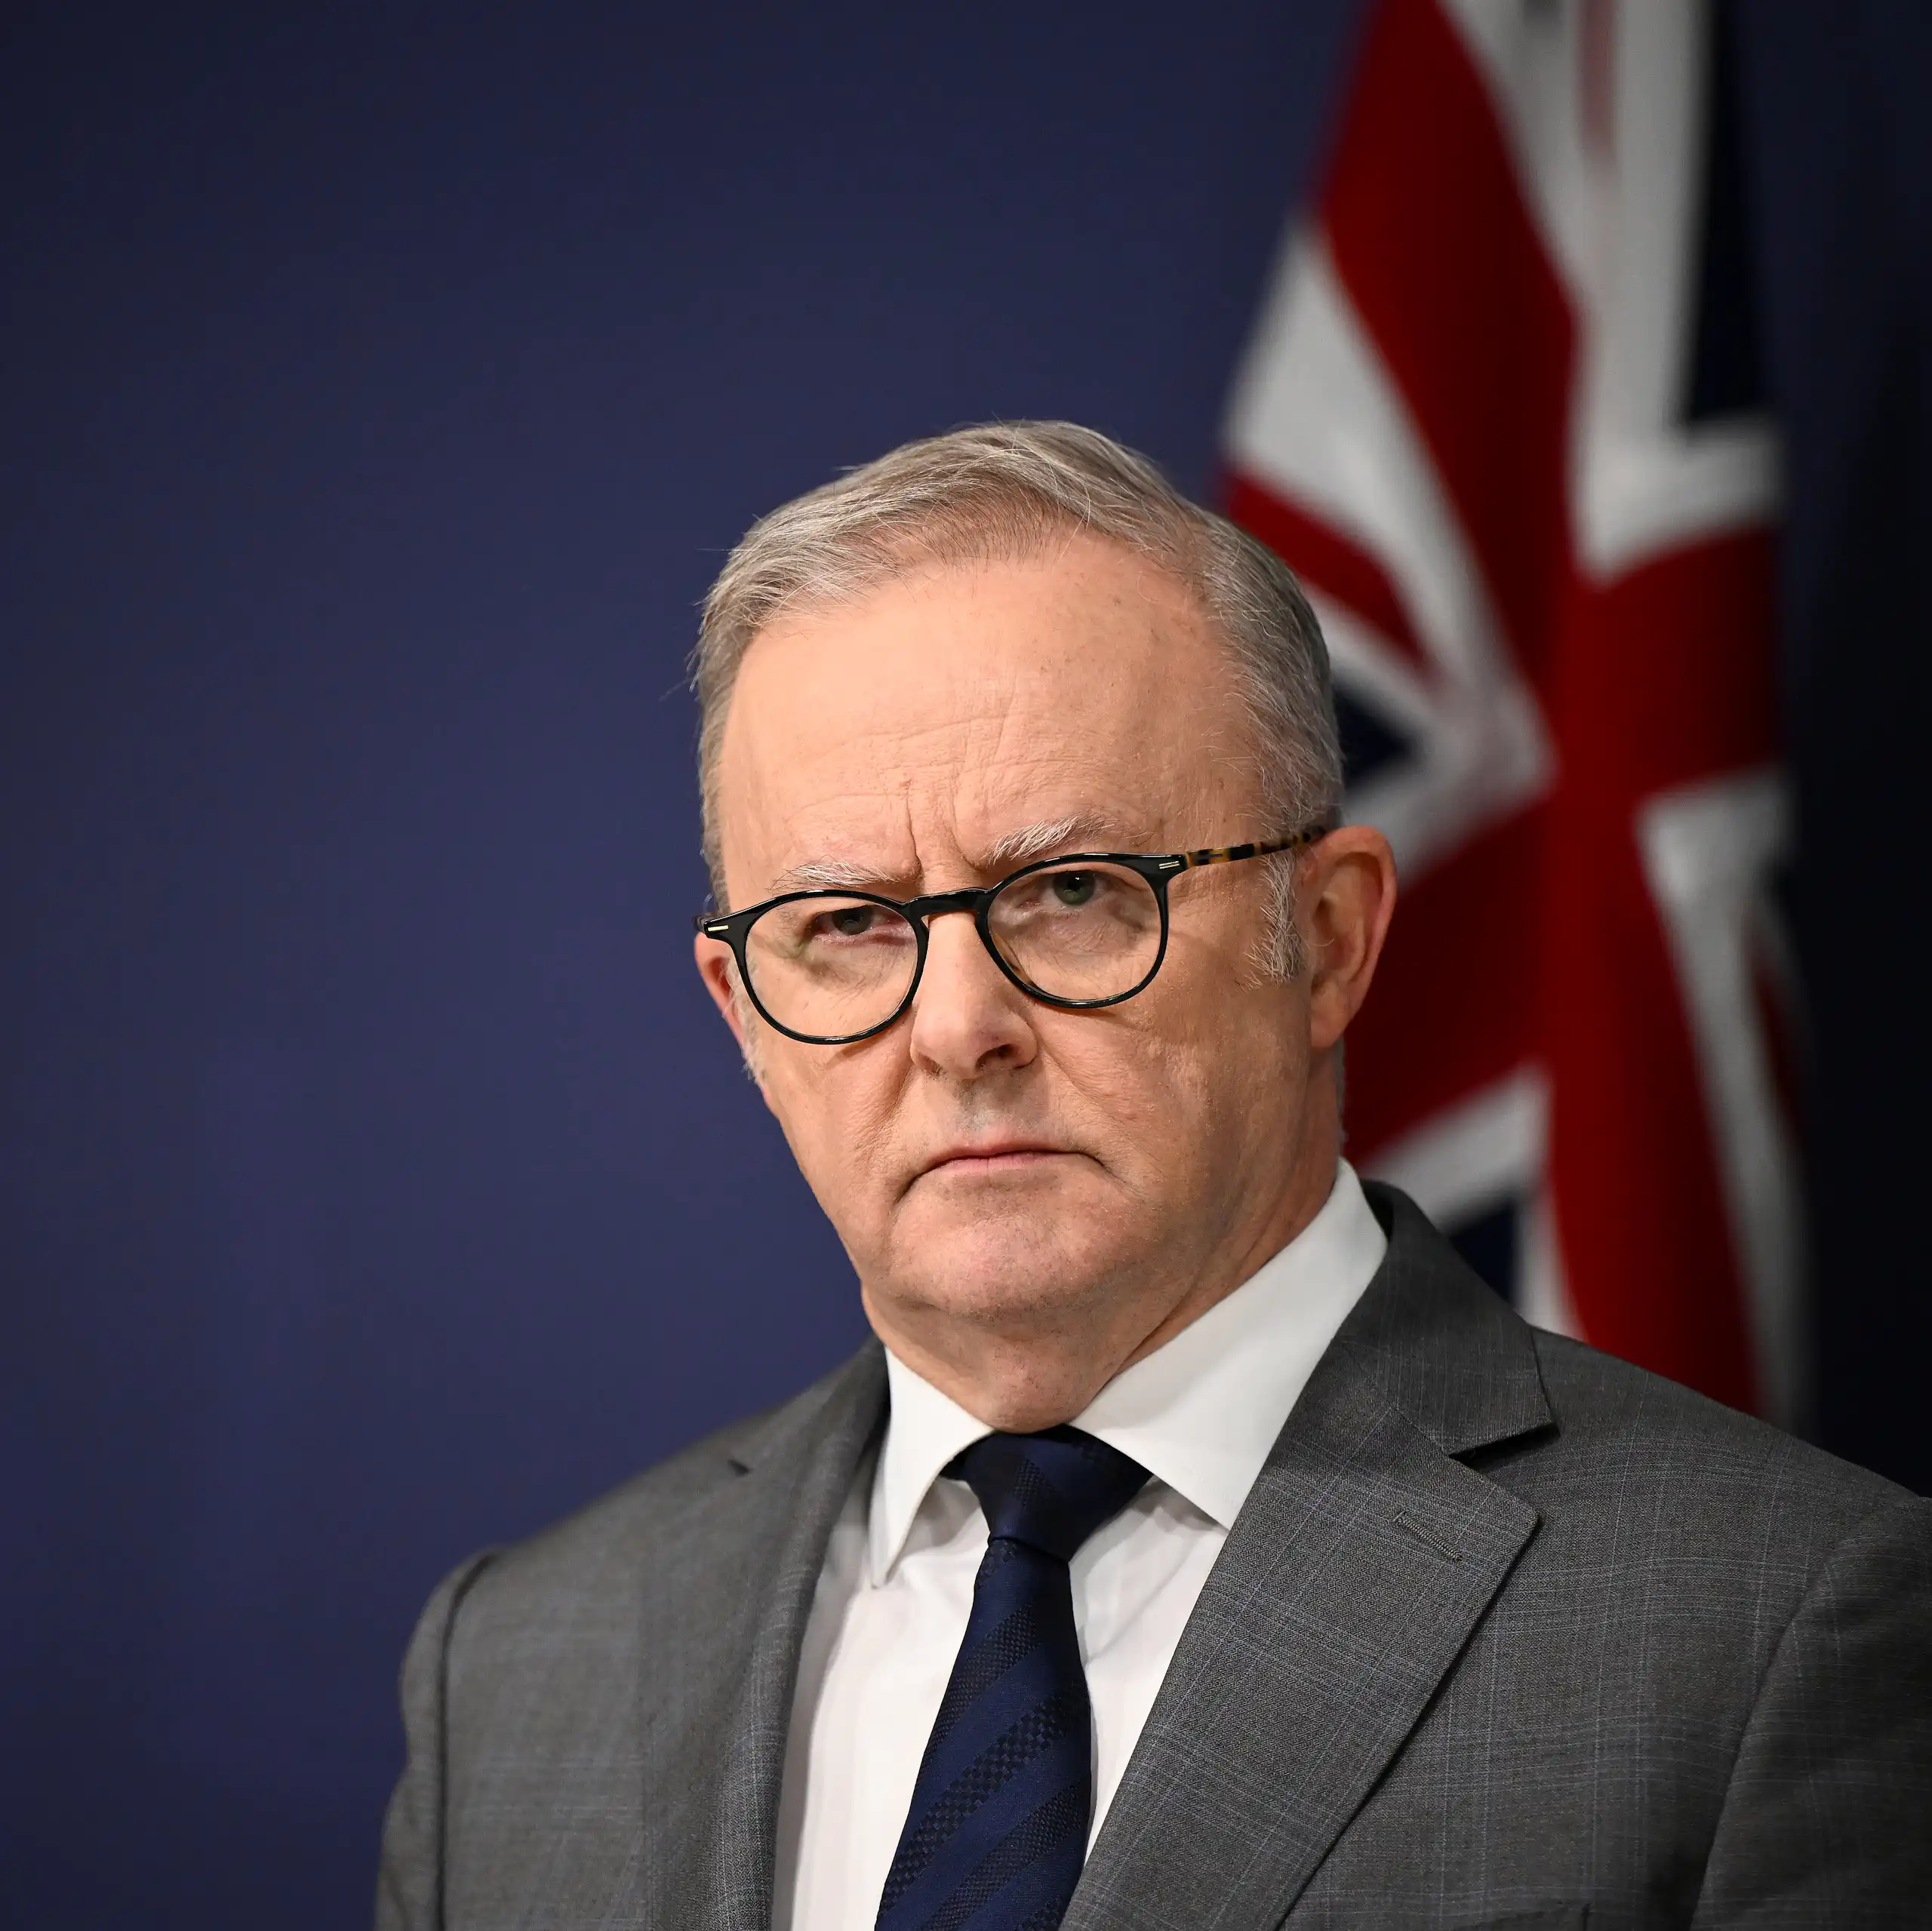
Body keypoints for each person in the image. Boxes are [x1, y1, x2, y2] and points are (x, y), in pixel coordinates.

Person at [374, 423, 1931, 1931]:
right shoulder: (514, 1669)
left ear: (1322, 938)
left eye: (1068, 892)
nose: (957, 1028)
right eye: (846, 926)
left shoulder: (1775, 1623)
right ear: (742, 1014)